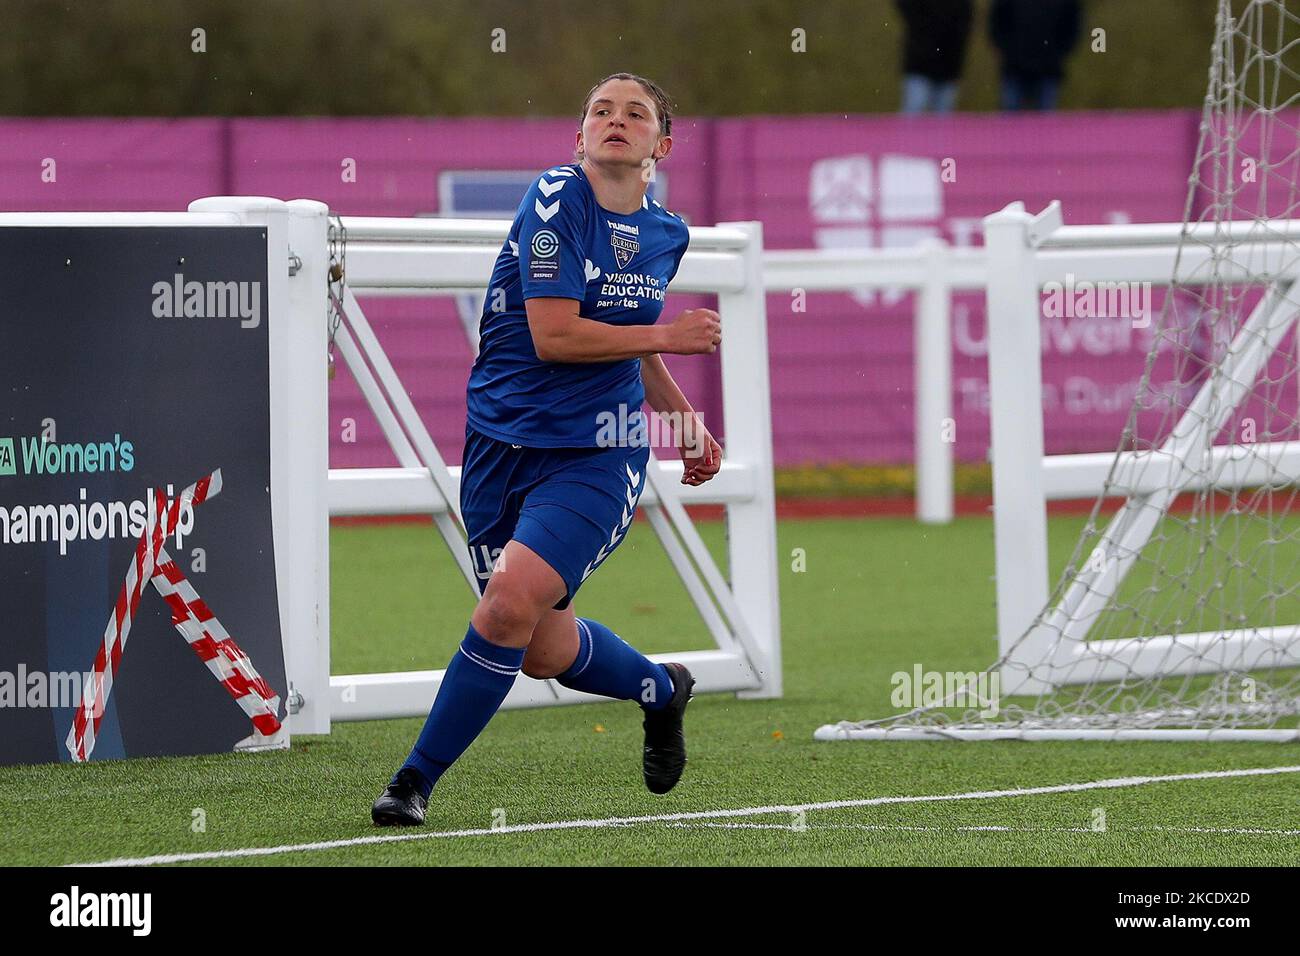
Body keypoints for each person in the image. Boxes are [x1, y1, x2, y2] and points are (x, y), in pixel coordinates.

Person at [372, 73, 725, 826]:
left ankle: (412, 782)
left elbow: (630, 339)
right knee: (533, 644)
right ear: (579, 135)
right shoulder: (557, 196)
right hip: (501, 449)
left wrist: (682, 422)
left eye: (637, 114)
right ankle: (661, 689)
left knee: (505, 605)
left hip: (599, 452)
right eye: (601, 110)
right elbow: (556, 335)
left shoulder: (668, 233)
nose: (615, 120)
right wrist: (670, 334)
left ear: (661, 146)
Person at [989, 0, 1081, 111]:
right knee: (1010, 117)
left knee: (1045, 120)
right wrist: (1007, 50)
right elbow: (997, 22)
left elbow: (1072, 26)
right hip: (1014, 67)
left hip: (1048, 68)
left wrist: (1058, 53)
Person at [896, 0, 974, 114]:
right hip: (922, 63)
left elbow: (964, 24)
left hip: (947, 64)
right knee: (915, 109)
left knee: (940, 114)